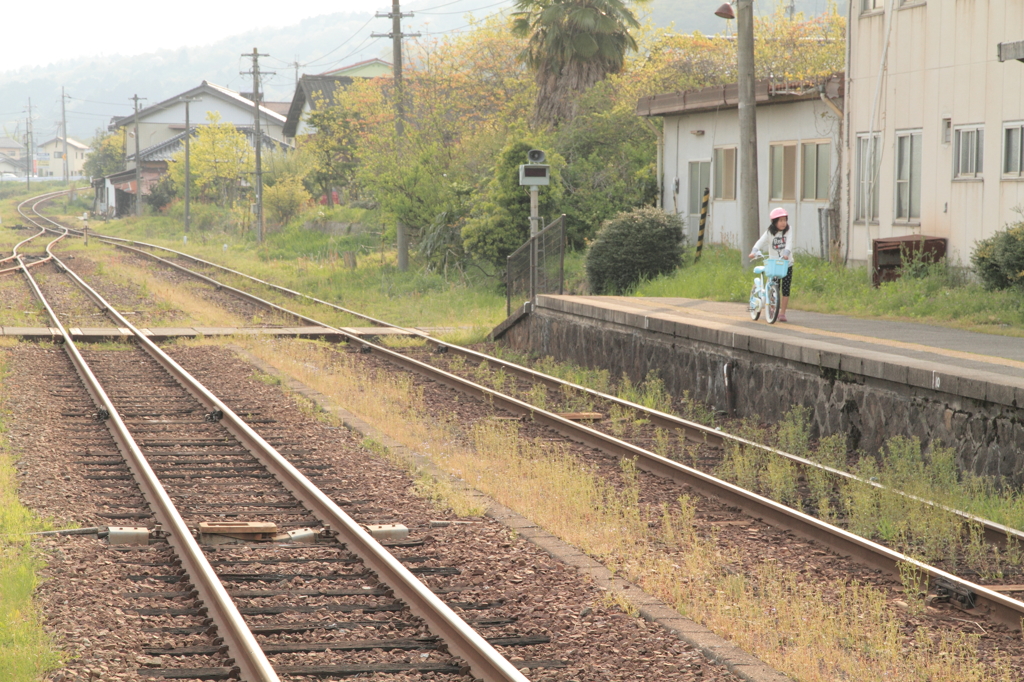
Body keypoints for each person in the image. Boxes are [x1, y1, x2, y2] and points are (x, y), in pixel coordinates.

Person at [748, 207, 794, 322]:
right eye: (780, 220)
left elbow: (789, 243)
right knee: (774, 286)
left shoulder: (788, 230)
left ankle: (782, 313)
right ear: (774, 222)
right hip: (774, 264)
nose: (783, 223)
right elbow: (761, 241)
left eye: (785, 220)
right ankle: (772, 310)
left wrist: (786, 253)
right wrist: (754, 251)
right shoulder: (769, 232)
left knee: (786, 288)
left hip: (786, 264)